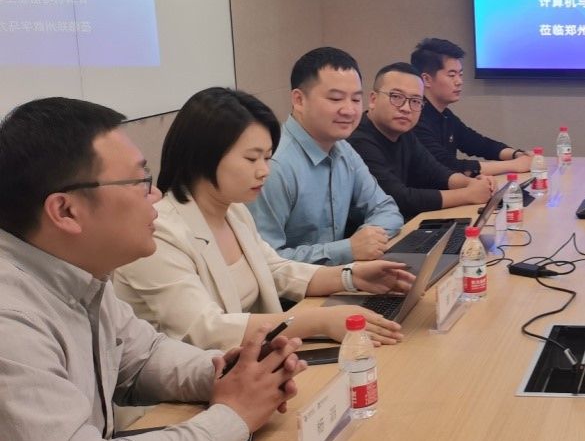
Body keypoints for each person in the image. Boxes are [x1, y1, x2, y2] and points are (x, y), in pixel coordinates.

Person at [0, 97, 306, 441]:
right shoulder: (11, 321)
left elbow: (143, 357)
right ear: (66, 210)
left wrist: (231, 373)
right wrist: (233, 417)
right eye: (140, 181)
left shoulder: (79, 272)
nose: (156, 195)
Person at [114, 88, 413, 352]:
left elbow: (275, 269)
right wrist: (319, 321)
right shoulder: (159, 232)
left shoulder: (234, 211)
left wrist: (351, 277)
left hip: (249, 364)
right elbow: (205, 329)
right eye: (251, 158)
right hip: (185, 389)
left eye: (267, 157)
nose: (264, 171)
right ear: (203, 156)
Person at [247, 47, 404, 265]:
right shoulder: (274, 165)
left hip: (342, 276)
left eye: (356, 99)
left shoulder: (343, 149)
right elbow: (265, 260)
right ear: (299, 100)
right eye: (336, 98)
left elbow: (386, 209)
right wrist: (348, 249)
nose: (349, 110)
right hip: (296, 288)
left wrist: (368, 240)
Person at [349, 63, 496, 218]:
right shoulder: (358, 140)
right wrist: (467, 194)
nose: (406, 108)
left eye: (415, 101)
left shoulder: (405, 134)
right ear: (373, 99)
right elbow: (398, 198)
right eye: (396, 97)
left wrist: (471, 183)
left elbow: (435, 172)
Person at [410, 38, 532, 176]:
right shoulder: (414, 117)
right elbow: (447, 165)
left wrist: (516, 154)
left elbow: (478, 143)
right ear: (426, 79)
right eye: (452, 75)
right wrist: (514, 165)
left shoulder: (445, 115)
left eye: (460, 75)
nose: (459, 81)